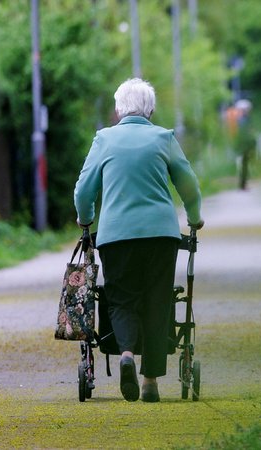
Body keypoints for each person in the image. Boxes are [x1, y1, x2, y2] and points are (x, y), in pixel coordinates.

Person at [73, 78, 204, 403]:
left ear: (118, 109)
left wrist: (85, 218)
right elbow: (188, 183)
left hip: (116, 236)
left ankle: (127, 354)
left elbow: (83, 190)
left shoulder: (104, 139)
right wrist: (194, 216)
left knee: (121, 299)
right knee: (158, 299)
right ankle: (150, 382)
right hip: (160, 235)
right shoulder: (163, 137)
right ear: (151, 109)